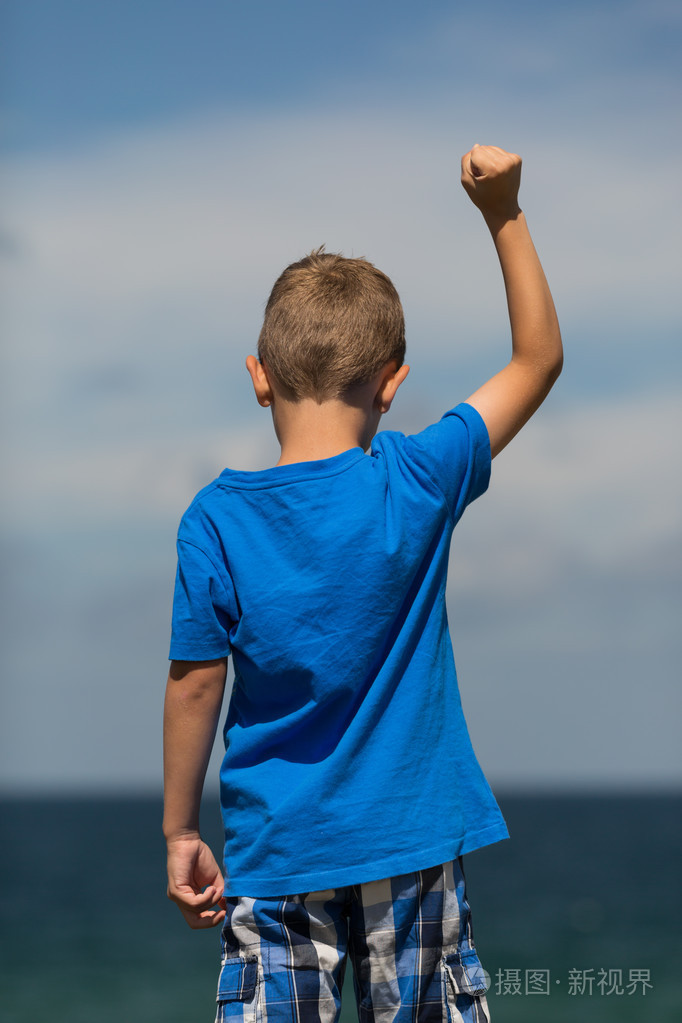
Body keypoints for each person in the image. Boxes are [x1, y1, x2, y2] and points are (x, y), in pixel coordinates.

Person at [163, 143, 562, 1022]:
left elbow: (197, 683)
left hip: (277, 853)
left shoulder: (216, 520)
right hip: (412, 844)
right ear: (392, 385)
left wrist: (182, 830)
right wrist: (505, 213)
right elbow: (536, 360)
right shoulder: (419, 478)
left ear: (258, 378)